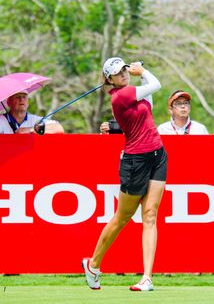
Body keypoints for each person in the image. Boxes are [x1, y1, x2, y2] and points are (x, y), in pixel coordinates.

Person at [82, 57, 168, 291]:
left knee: (150, 215)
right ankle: (93, 264)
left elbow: (149, 97)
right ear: (109, 79)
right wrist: (144, 70)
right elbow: (156, 85)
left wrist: (140, 73)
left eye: (124, 70)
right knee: (123, 217)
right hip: (135, 161)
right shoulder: (121, 95)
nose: (123, 74)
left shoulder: (134, 93)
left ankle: (147, 278)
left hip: (158, 155)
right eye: (118, 73)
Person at [0, 90, 64, 134]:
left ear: (28, 103)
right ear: (9, 103)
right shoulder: (1, 120)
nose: (21, 99)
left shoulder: (35, 120)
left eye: (24, 97)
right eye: (17, 97)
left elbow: (58, 128)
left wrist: (31, 130)